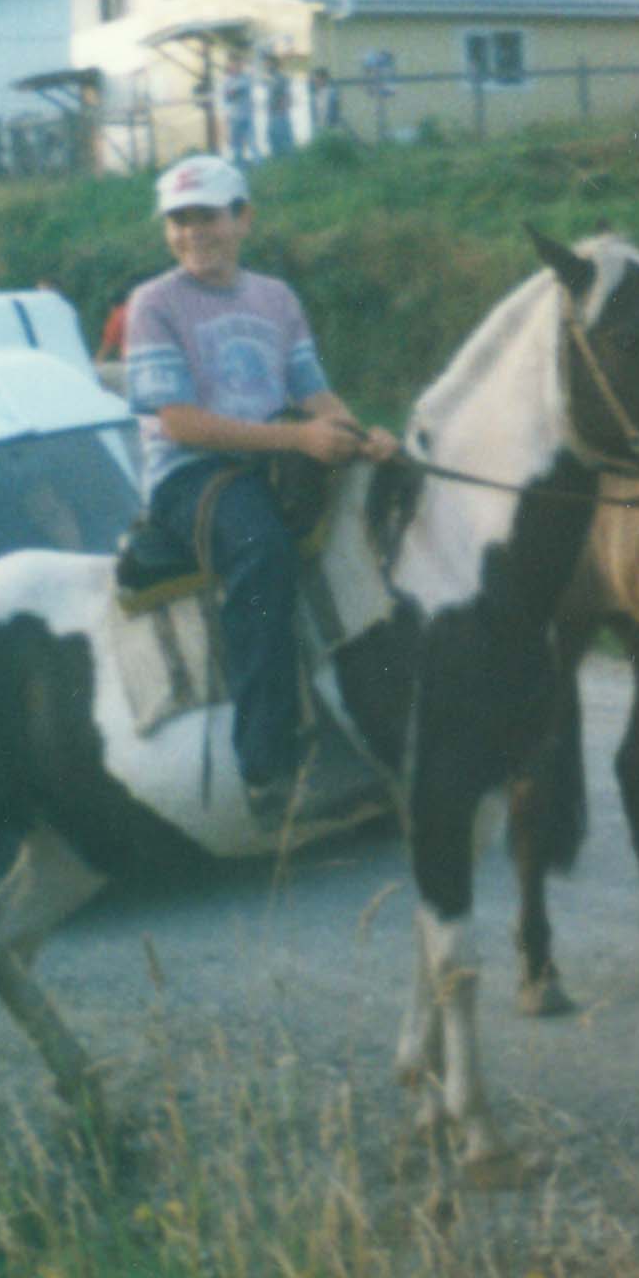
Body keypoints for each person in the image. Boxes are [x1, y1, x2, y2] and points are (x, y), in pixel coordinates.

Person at [121, 152, 397, 820]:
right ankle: (267, 768)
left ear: (243, 219)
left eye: (207, 217)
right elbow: (179, 421)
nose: (193, 234)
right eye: (179, 221)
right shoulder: (154, 304)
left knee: (387, 507)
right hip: (191, 475)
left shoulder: (275, 297)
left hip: (276, 456)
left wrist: (363, 434)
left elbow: (312, 392)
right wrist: (300, 439)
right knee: (262, 549)